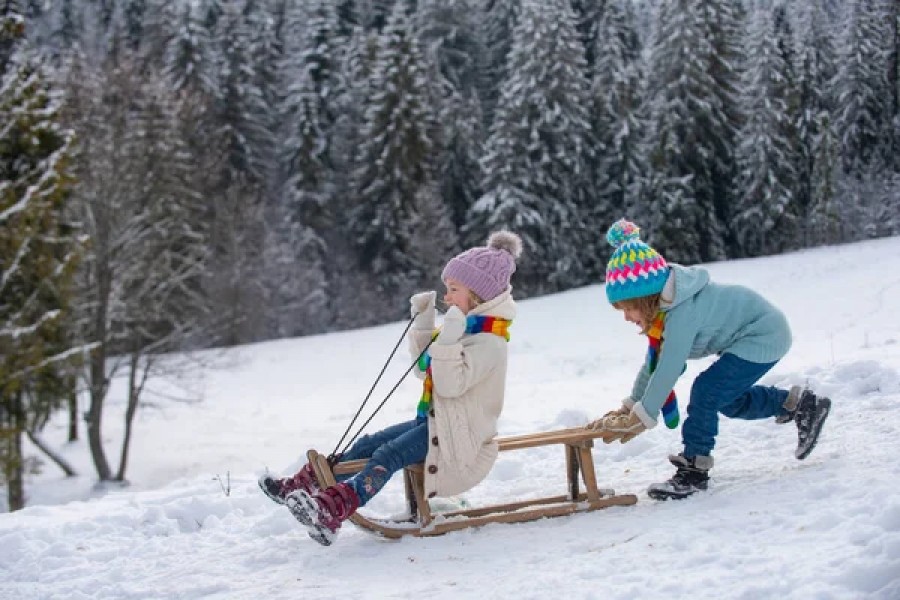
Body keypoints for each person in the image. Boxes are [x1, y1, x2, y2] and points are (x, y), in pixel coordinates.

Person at [259, 231, 522, 544]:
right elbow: (424, 368)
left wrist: (448, 338)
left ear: (478, 296)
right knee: (367, 444)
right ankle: (305, 488)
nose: (446, 297)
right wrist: (424, 324)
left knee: (389, 453)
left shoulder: (489, 342)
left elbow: (450, 386)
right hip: (437, 424)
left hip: (461, 440)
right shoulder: (466, 330)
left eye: (453, 290)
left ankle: (335, 509)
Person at [586, 219, 831, 500]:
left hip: (763, 333)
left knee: (706, 391)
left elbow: (669, 368)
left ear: (644, 299)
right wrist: (629, 407)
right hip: (749, 337)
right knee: (728, 400)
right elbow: (653, 364)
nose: (627, 318)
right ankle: (800, 405)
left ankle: (694, 469)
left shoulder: (681, 313)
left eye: (628, 309)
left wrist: (642, 418)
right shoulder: (666, 311)